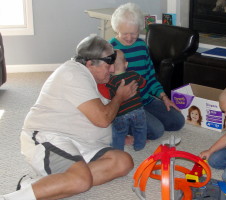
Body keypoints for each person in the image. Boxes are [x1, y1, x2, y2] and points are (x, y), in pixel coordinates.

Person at [1, 35, 138, 200]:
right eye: (108, 65)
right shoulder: (73, 73)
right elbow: (102, 119)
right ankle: (12, 197)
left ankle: (41, 183)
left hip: (80, 142)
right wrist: (119, 97)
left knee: (123, 162)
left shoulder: (90, 80)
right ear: (89, 64)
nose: (112, 70)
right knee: (81, 181)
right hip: (48, 137)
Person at [110, 2, 185, 140]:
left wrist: (164, 98)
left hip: (146, 100)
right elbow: (106, 85)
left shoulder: (141, 46)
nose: (129, 38)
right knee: (157, 131)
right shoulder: (111, 50)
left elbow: (150, 76)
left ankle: (142, 120)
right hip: (127, 106)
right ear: (116, 29)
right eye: (124, 33)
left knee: (178, 121)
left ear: (139, 29)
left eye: (133, 33)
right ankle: (123, 126)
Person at [99, 49, 147, 151]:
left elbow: (107, 96)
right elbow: (143, 84)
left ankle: (118, 150)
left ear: (110, 66)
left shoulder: (110, 81)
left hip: (120, 113)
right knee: (140, 128)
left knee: (119, 132)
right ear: (126, 64)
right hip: (137, 110)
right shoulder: (134, 74)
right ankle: (139, 146)